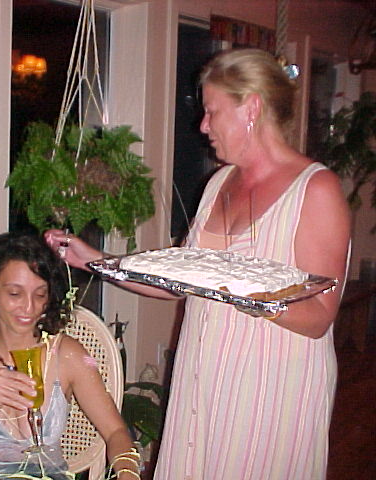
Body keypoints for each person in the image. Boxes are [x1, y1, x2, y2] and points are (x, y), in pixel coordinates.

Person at [45, 48, 351, 479]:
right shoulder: (219, 182)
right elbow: (180, 281)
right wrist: (95, 261)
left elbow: (318, 317)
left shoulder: (315, 190)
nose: (203, 126)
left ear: (251, 108)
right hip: (202, 374)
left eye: (212, 111)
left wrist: (246, 296)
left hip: (268, 384)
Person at [0, 233, 139, 480]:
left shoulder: (67, 354)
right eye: (15, 294)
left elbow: (116, 431)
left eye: (40, 295)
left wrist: (128, 472)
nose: (29, 308)